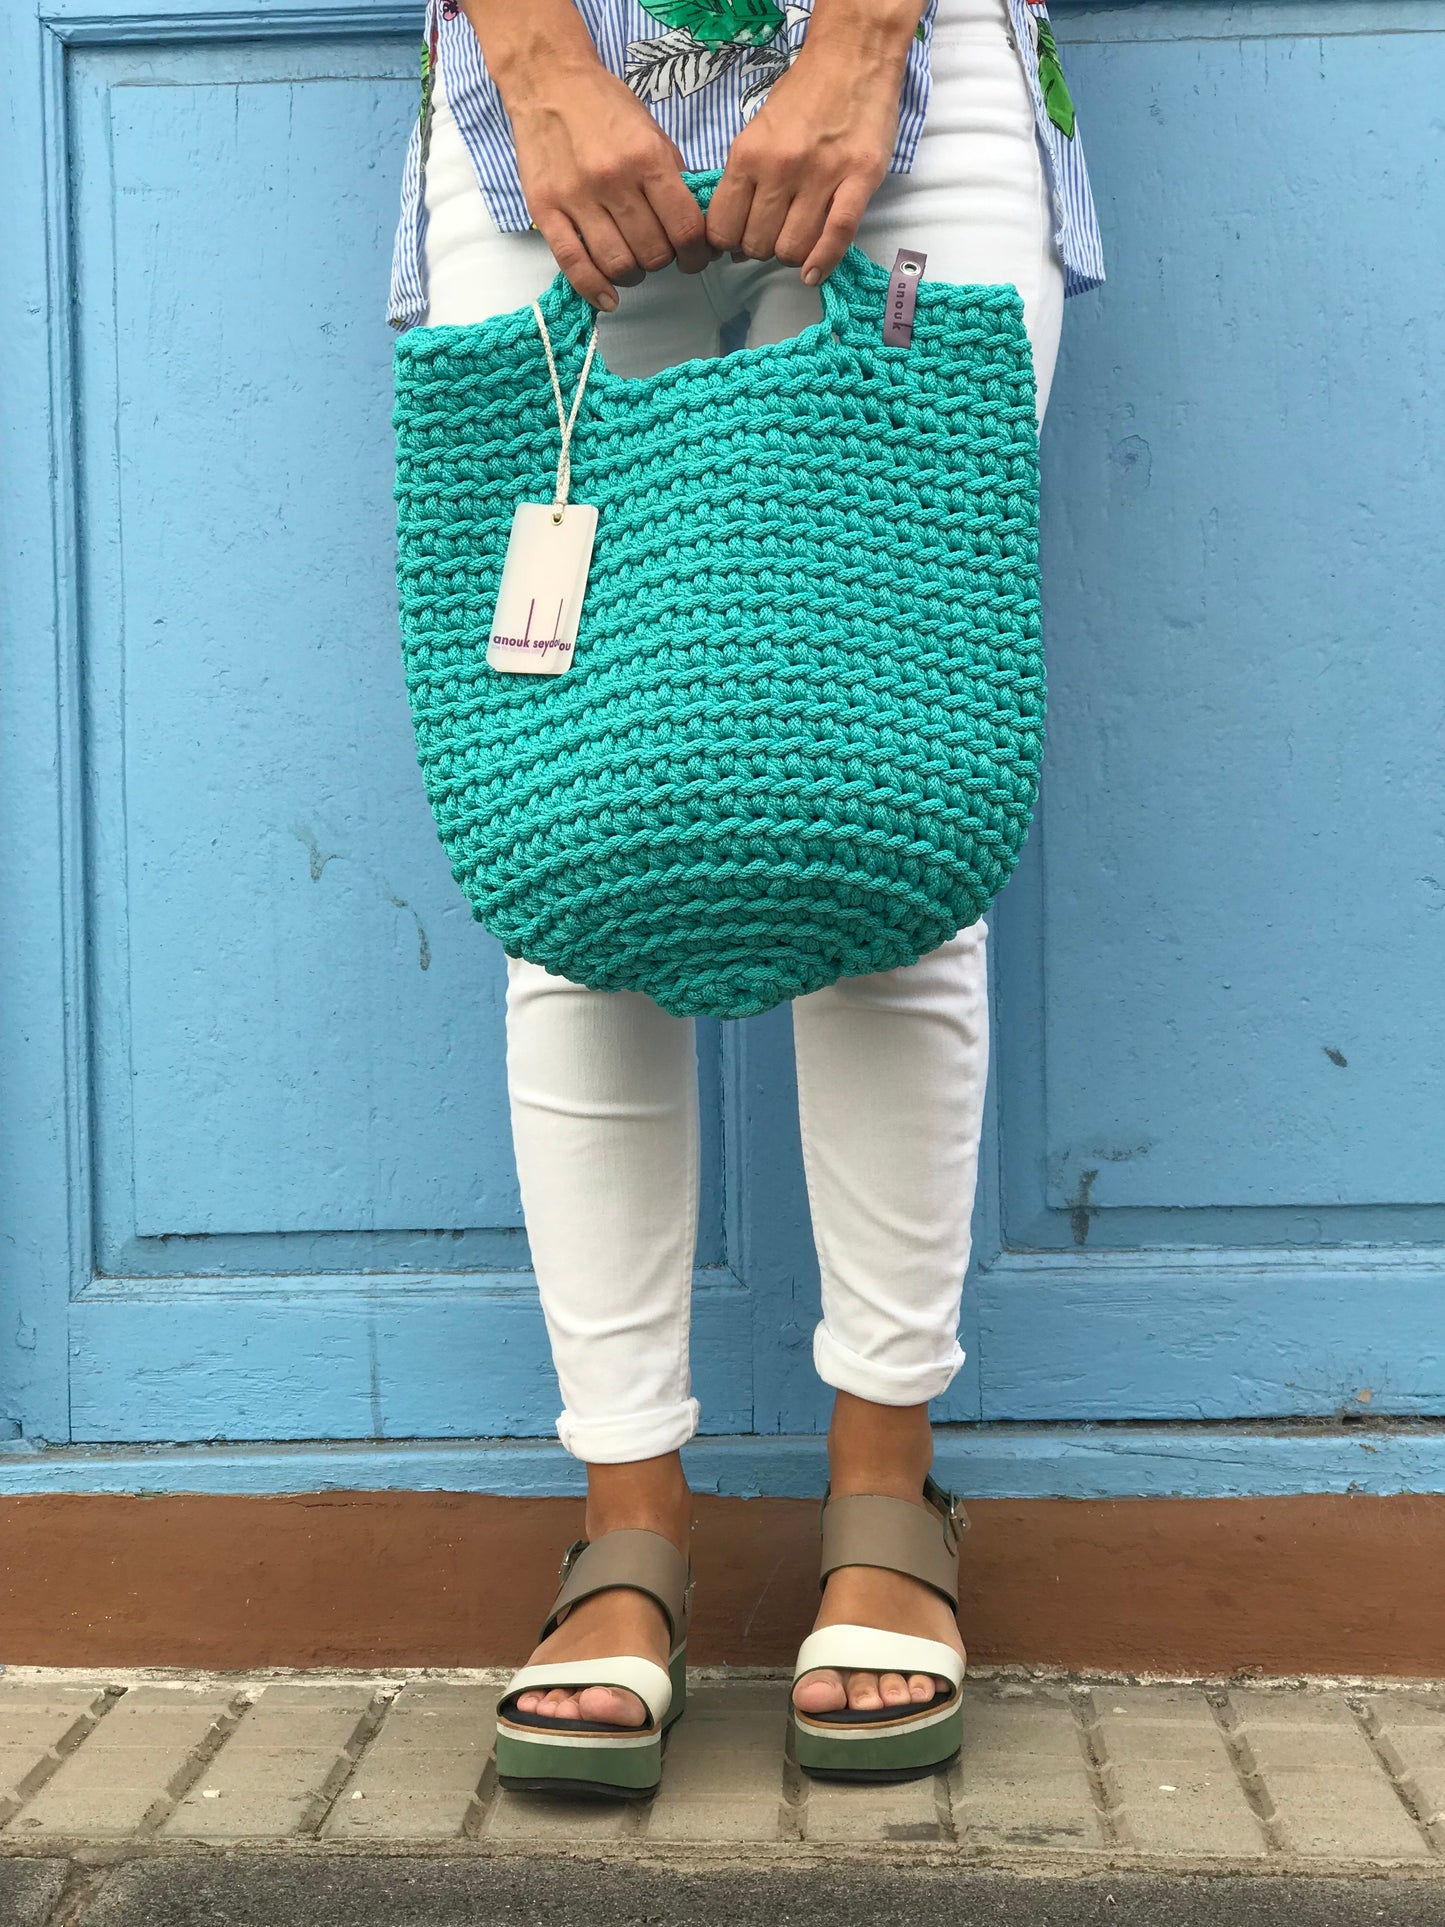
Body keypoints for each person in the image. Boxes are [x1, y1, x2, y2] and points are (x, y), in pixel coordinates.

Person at [389, 0, 1102, 1798]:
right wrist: (540, 63)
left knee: (880, 819)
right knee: (586, 848)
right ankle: (625, 1524)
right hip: (535, 85)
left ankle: (885, 1507)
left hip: (914, 64)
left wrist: (861, 41)